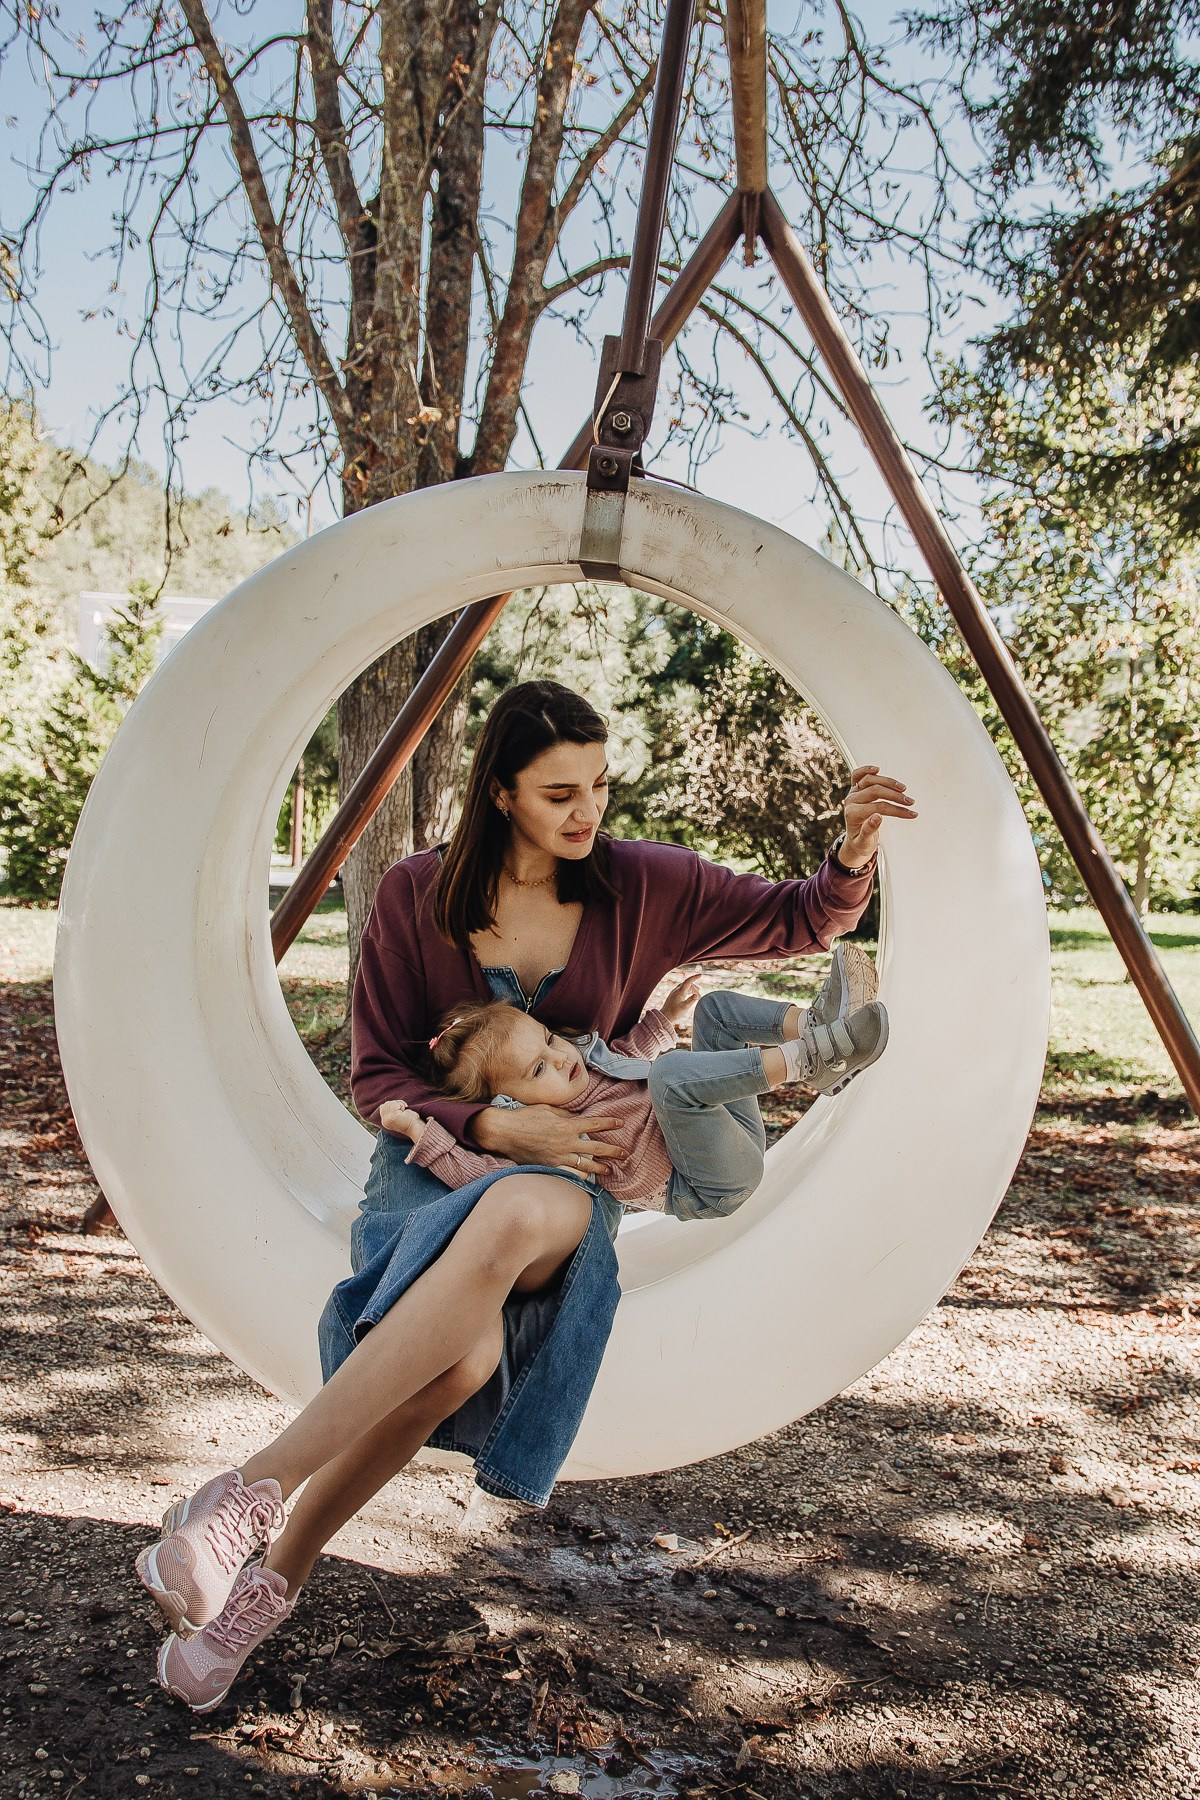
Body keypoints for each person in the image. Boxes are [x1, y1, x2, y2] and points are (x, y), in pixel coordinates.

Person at [135, 679, 916, 1711]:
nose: (588, 812)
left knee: (515, 1216)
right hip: (430, 1172)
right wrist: (493, 1125)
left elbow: (800, 918)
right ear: (500, 793)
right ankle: (267, 1588)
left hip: (570, 1179)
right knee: (458, 1357)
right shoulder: (415, 899)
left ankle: (246, 1495)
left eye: (598, 784)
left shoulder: (641, 884)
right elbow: (379, 1079)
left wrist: (853, 853)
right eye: (559, 793)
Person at [386, 948, 888, 1216]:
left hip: (730, 1134)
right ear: (508, 1102)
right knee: (671, 1075)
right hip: (705, 1183)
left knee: (713, 1012)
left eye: (549, 1042)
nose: (560, 1059)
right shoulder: (543, 1137)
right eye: (538, 1070)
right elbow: (479, 1176)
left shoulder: (590, 1067)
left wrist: (667, 1017)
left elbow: (634, 1055)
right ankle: (811, 1060)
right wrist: (422, 1136)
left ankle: (815, 1025)